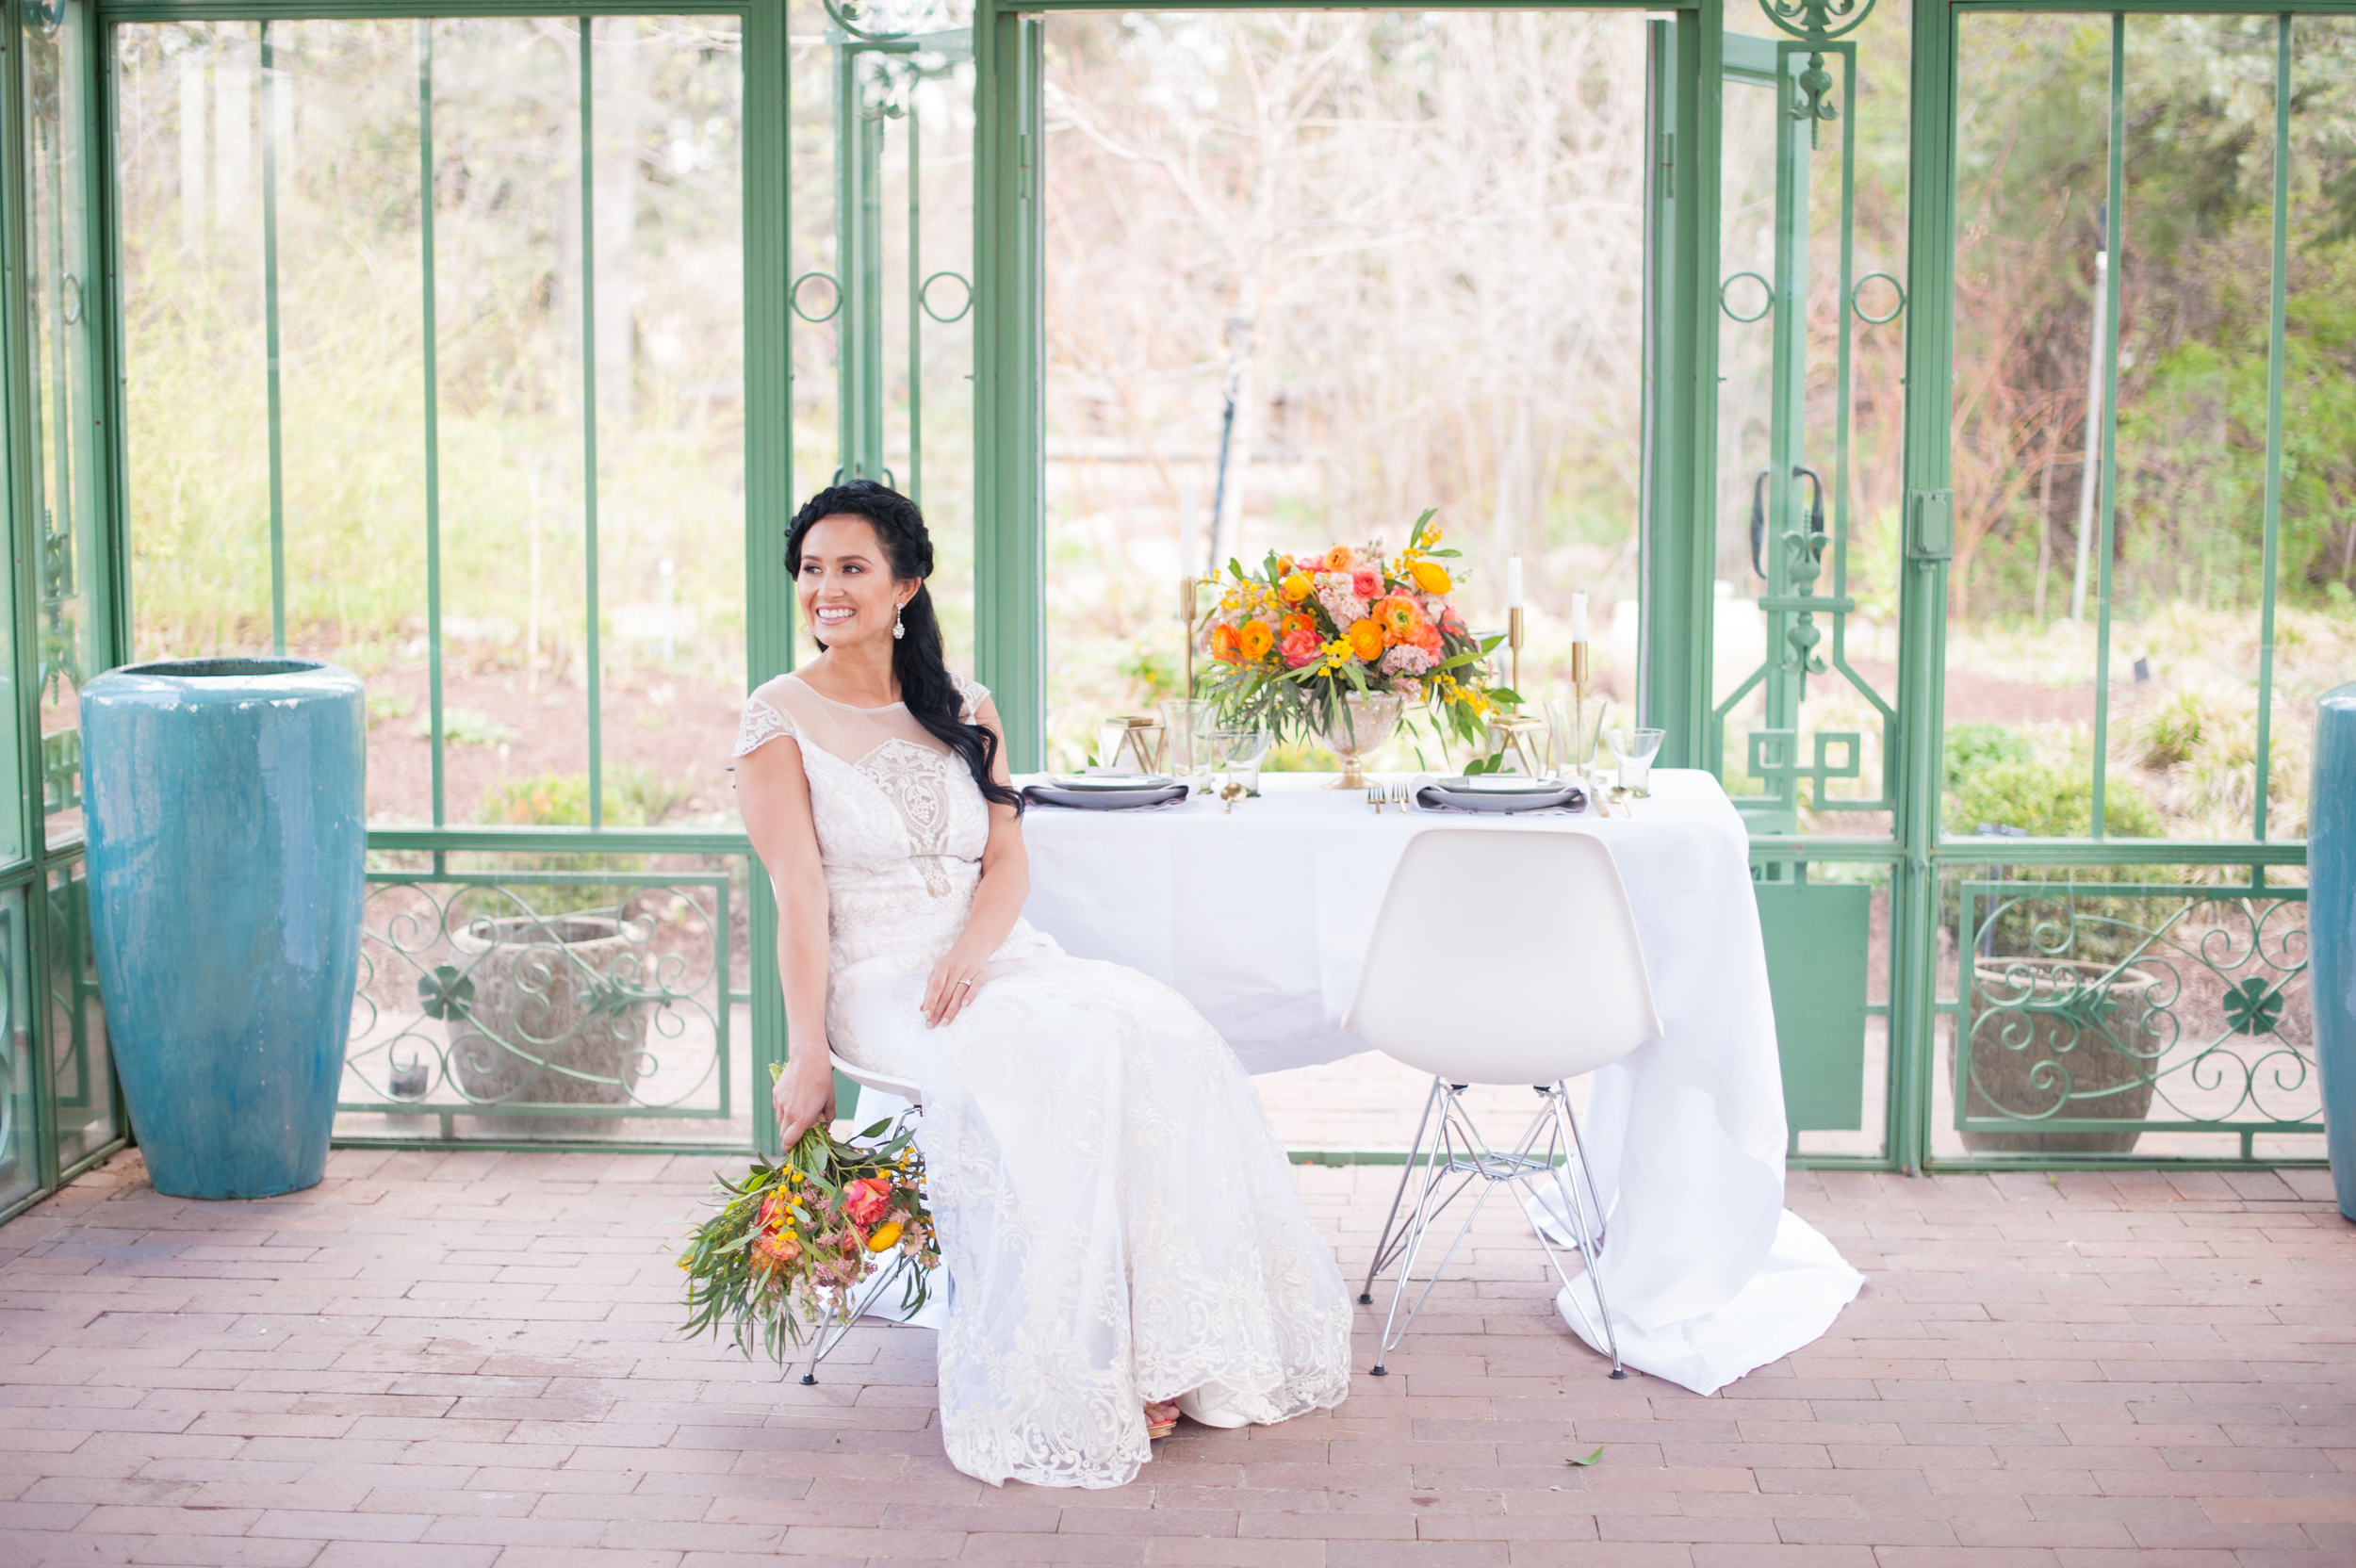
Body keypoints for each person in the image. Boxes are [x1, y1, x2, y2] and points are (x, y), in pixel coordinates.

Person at [733, 481, 1351, 1489]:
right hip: (880, 977)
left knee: (1158, 1026)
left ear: (906, 585)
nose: (826, 589)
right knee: (1050, 1055)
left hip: (985, 958)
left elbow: (1007, 859)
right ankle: (1072, 1366)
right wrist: (809, 1053)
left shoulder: (963, 705)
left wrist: (975, 949)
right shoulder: (775, 717)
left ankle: (1166, 1347)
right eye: (811, 569)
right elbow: (798, 895)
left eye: (851, 568)